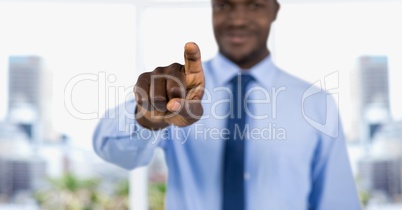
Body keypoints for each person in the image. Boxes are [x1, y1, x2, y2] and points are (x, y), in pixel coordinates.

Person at [93, 0, 361, 209]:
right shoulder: (177, 90)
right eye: (224, 5)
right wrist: (148, 119)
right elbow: (110, 146)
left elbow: (336, 202)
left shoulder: (315, 104)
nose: (237, 19)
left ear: (274, 10)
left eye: (254, 4)